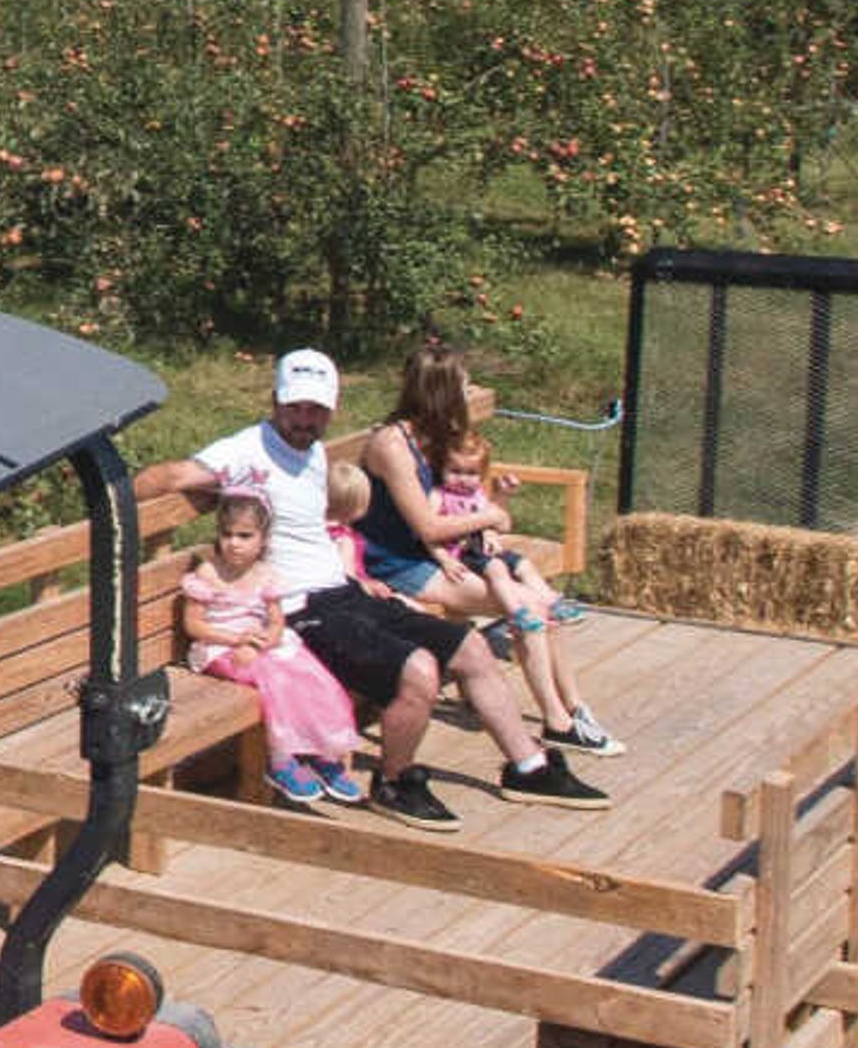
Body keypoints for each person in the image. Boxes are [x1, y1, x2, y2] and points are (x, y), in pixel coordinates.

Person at [133, 348, 605, 831]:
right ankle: (394, 782)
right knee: (418, 672)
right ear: (275, 400)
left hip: (345, 591)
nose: (304, 419)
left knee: (472, 648)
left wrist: (359, 576)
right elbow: (175, 475)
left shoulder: (312, 451)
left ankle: (529, 767)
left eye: (315, 409)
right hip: (300, 608)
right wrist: (115, 498)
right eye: (294, 406)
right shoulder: (247, 451)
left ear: (332, 408)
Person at [354, 339, 618, 758]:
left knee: (536, 602)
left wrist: (493, 508)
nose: (470, 391)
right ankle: (559, 722)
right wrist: (491, 519)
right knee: (532, 607)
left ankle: (573, 708)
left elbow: (461, 494)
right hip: (401, 564)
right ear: (441, 392)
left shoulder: (433, 436)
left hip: (442, 552)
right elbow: (426, 524)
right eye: (465, 384)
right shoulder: (392, 445)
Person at [181, 491, 365, 809]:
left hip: (256, 642)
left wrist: (269, 636)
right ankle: (280, 760)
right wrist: (234, 640)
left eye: (244, 536)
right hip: (218, 647)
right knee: (273, 681)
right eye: (227, 534)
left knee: (312, 674)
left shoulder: (266, 575)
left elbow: (277, 621)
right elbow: (194, 626)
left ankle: (324, 751)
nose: (234, 543)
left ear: (263, 540)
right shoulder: (208, 574)